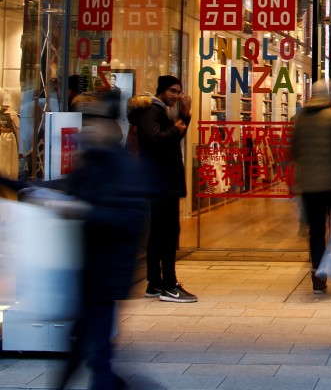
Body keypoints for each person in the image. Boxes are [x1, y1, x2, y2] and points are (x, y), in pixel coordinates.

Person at [1, 94, 150, 390]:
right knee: (85, 348)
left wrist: (81, 210)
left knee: (95, 354)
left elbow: (129, 218)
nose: (89, 130)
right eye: (88, 123)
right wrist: (13, 184)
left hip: (108, 274)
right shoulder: (93, 162)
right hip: (88, 272)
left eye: (95, 123)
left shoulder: (124, 167)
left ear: (111, 127)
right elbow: (55, 189)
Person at [130, 75, 196, 303]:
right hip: (161, 183)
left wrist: (183, 117)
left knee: (160, 233)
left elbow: (171, 139)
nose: (176, 95)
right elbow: (157, 140)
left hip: (162, 182)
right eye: (172, 91)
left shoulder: (161, 112)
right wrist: (177, 126)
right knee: (168, 233)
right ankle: (168, 284)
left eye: (178, 92)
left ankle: (155, 283)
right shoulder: (151, 112)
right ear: (161, 90)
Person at [291, 80, 331, 294]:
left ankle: (318, 275)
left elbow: (294, 149)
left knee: (316, 230)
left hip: (309, 185)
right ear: (328, 95)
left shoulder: (301, 119)